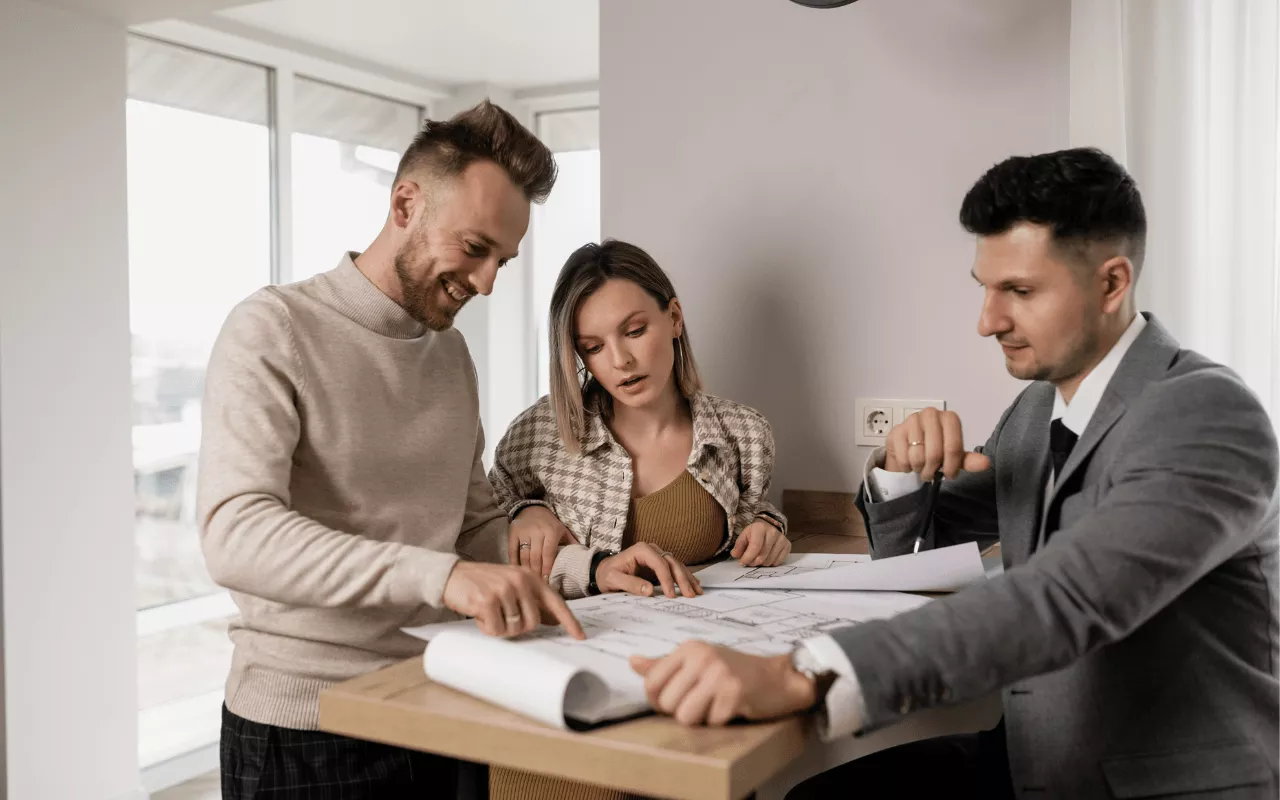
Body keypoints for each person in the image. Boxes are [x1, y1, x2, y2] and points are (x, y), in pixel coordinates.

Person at [628, 147, 1279, 800]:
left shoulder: (1205, 412)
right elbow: (924, 552)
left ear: (1112, 284)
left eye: (1019, 292)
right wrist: (900, 471)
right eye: (986, 289)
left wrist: (808, 672)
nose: (987, 321)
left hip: (1152, 781)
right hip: (1031, 756)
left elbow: (1065, 599)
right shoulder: (1035, 410)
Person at [198, 100, 585, 799]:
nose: (488, 281)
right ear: (406, 203)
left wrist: (592, 568)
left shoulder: (450, 355)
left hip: (435, 700)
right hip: (304, 730)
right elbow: (236, 533)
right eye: (475, 249)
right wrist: (439, 578)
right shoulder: (273, 328)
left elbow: (471, 526)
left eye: (503, 259)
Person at [486, 239, 792, 799]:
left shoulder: (744, 433)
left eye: (634, 331)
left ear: (673, 318)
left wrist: (768, 530)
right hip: (566, 700)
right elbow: (489, 546)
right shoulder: (540, 435)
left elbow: (752, 518)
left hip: (688, 702)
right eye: (593, 347)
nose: (620, 361)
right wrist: (529, 515)